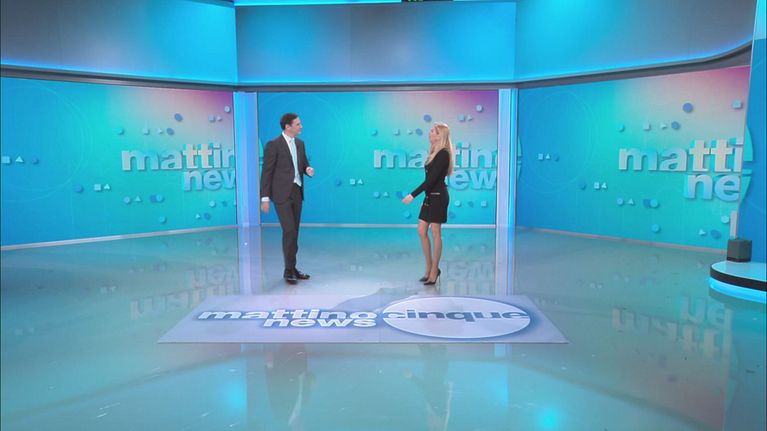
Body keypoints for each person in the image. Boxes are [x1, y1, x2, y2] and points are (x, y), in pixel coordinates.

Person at [261, 113, 314, 284]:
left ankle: (293, 268)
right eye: (298, 124)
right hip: (281, 194)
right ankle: (288, 270)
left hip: (296, 191)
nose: (301, 126)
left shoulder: (300, 143)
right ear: (287, 127)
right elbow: (267, 172)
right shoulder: (273, 145)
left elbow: (303, 164)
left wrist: (307, 169)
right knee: (289, 230)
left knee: (294, 232)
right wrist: (264, 198)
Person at [402, 122, 455, 285]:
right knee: (421, 230)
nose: (430, 133)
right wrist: (425, 198)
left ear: (440, 136)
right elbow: (429, 180)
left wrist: (413, 195)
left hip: (439, 197)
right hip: (430, 197)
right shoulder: (433, 151)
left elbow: (431, 180)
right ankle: (429, 267)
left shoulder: (444, 154)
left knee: (435, 232)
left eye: (433, 131)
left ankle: (434, 271)